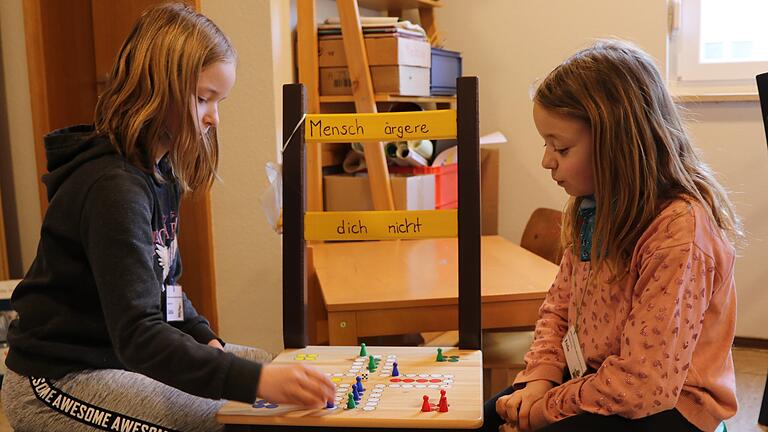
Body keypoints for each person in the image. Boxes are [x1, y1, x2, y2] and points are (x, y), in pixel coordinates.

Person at [1, 4, 334, 432]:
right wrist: (254, 382)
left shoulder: (161, 175)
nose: (214, 117)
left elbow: (167, 291)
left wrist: (205, 339)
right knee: (233, 414)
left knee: (268, 367)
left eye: (219, 101)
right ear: (156, 90)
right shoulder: (113, 188)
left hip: (121, 359)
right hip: (55, 380)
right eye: (202, 99)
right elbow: (140, 333)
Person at [484, 39, 741, 432]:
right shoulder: (594, 205)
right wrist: (539, 380)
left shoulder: (679, 232)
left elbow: (643, 386)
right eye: (546, 144)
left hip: (669, 405)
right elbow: (558, 307)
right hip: (598, 380)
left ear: (616, 146)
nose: (546, 160)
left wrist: (544, 408)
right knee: (487, 416)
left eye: (561, 147)